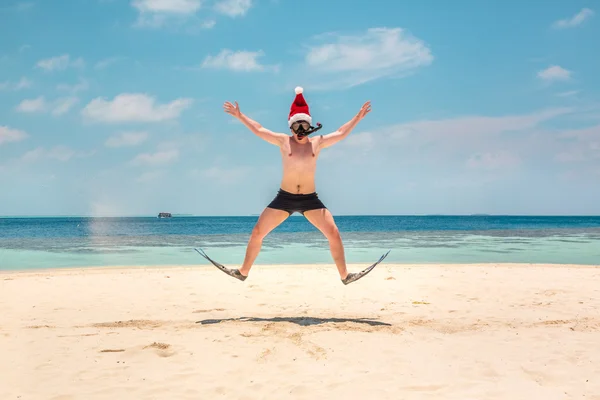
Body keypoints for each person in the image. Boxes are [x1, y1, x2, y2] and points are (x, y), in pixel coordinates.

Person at [195, 86, 388, 285]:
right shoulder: (283, 141)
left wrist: (358, 117)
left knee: (333, 233)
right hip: (284, 198)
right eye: (297, 127)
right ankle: (243, 272)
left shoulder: (317, 143)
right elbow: (260, 130)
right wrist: (240, 115)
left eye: (304, 126)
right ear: (291, 127)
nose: (301, 131)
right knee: (257, 232)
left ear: (310, 126)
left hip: (310, 199)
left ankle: (345, 276)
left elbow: (340, 133)